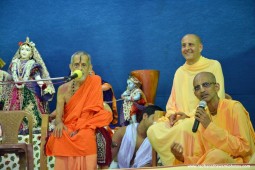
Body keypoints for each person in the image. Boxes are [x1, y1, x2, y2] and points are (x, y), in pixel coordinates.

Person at [147, 34, 225, 165]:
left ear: (200, 47)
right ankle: (174, 164)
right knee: (153, 130)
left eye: (191, 44)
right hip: (181, 119)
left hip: (204, 117)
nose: (187, 48)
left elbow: (218, 97)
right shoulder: (180, 72)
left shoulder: (213, 65)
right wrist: (172, 115)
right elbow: (173, 101)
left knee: (186, 126)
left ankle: (187, 163)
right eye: (184, 45)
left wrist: (189, 115)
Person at [45, 51, 112, 170]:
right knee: (60, 135)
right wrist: (59, 123)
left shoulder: (95, 82)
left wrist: (81, 127)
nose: (80, 68)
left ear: (89, 67)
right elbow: (59, 116)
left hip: (88, 124)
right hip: (69, 125)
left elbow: (93, 110)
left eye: (83, 65)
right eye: (76, 65)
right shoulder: (62, 89)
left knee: (85, 136)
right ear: (70, 67)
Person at [171, 72, 255, 164]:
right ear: (195, 94)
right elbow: (201, 159)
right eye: (197, 88)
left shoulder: (234, 108)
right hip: (211, 164)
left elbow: (245, 148)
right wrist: (182, 158)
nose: (202, 90)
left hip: (238, 164)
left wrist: (209, 126)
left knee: (216, 155)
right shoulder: (202, 116)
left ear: (217, 87)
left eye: (206, 85)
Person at [1, 37, 55, 133]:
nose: (24, 51)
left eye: (27, 50)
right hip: (15, 91)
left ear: (31, 53)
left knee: (31, 109)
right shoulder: (14, 63)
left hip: (30, 91)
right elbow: (11, 78)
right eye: (22, 49)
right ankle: (13, 127)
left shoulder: (33, 65)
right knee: (13, 109)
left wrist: (44, 87)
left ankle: (32, 127)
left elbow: (38, 78)